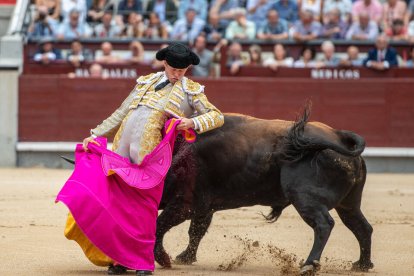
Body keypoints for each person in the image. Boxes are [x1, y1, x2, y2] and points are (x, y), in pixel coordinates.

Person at [62, 42, 224, 276]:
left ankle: (141, 261)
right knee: (117, 207)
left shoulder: (191, 91)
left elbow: (216, 116)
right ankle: (119, 259)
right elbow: (121, 113)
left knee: (144, 212)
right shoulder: (145, 82)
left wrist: (194, 122)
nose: (177, 75)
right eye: (174, 69)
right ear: (165, 63)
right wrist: (95, 135)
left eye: (182, 70)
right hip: (121, 154)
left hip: (150, 163)